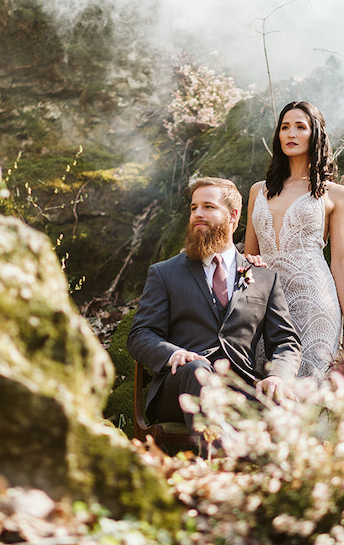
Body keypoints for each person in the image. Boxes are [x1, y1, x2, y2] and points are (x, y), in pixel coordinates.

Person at [127, 177, 302, 453]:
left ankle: (281, 488)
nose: (197, 213)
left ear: (233, 216)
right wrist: (173, 354)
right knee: (197, 371)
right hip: (182, 387)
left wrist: (279, 376)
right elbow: (140, 335)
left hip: (239, 386)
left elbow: (286, 342)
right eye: (194, 207)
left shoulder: (263, 277)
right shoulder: (165, 273)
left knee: (282, 398)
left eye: (208, 206)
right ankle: (218, 473)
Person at [241, 100, 344, 379]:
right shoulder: (257, 191)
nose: (291, 134)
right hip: (267, 305)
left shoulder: (336, 194)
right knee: (266, 387)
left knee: (311, 392)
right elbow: (249, 258)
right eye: (285, 127)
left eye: (300, 127)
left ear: (315, 134)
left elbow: (342, 262)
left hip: (315, 302)